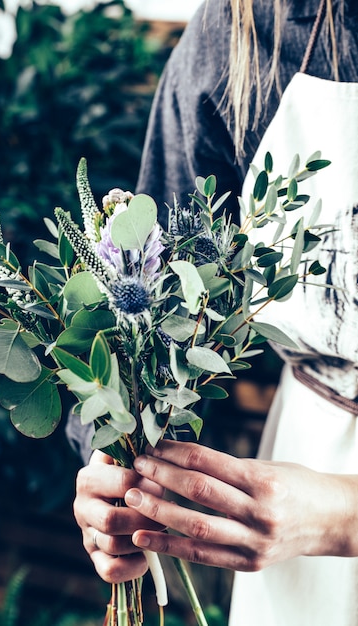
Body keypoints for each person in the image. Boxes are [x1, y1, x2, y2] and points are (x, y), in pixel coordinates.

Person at [69, 1, 358, 624]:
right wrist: (112, 468)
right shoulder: (241, 34)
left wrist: (342, 515)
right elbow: (141, 310)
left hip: (309, 510)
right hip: (302, 480)